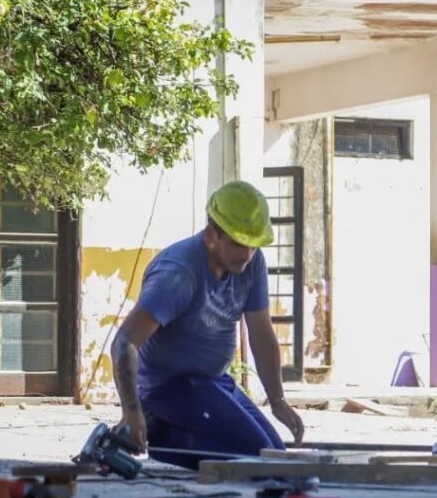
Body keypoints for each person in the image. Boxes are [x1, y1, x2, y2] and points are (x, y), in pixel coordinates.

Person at [111, 181, 305, 469]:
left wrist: (277, 399)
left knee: (272, 453)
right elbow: (124, 343)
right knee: (256, 459)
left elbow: (262, 334)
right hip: (168, 387)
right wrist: (131, 411)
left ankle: (165, 432)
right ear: (211, 234)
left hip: (214, 382)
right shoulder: (178, 274)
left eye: (253, 246)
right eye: (238, 244)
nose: (246, 254)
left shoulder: (251, 263)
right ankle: (159, 432)